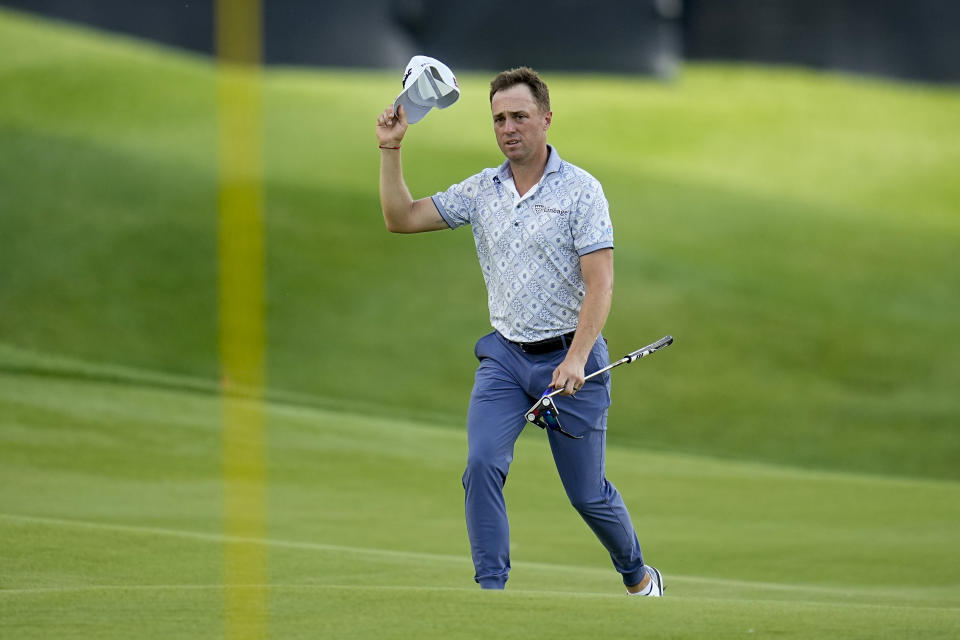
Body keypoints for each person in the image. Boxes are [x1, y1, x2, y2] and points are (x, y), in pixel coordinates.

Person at [375, 66, 663, 596]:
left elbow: (599, 285)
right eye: (499, 119)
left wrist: (576, 359)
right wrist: (391, 150)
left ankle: (638, 575)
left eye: (520, 117)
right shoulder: (482, 190)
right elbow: (402, 218)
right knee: (481, 463)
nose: (508, 128)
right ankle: (492, 593)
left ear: (546, 119)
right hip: (505, 360)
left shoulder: (581, 191)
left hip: (570, 361)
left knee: (586, 495)